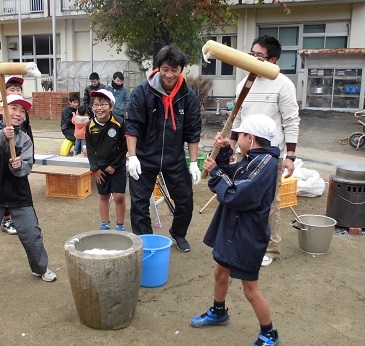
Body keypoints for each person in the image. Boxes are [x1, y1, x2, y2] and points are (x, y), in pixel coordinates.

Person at [191, 114, 280, 346]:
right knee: (220, 272)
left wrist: (216, 172)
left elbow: (236, 193)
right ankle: (218, 312)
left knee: (250, 289)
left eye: (239, 135)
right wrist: (220, 154)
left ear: (250, 137)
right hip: (233, 226)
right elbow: (232, 174)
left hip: (248, 232)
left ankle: (269, 333)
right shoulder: (252, 157)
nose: (237, 139)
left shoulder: (266, 164)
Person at [0, 94, 56, 294]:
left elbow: (27, 166)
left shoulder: (24, 138)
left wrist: (18, 166)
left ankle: (40, 268)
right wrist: (2, 136)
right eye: (14, 108)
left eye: (23, 111)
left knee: (32, 235)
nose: (19, 114)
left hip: (19, 194)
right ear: (2, 111)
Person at [229, 35, 300, 267]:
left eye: (259, 56)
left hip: (271, 156)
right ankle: (243, 239)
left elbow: (291, 121)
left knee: (269, 202)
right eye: (252, 54)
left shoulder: (283, 84)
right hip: (244, 153)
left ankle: (270, 248)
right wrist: (232, 146)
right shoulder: (244, 83)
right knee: (240, 196)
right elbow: (237, 117)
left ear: (272, 60)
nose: (253, 59)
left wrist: (289, 156)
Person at [125, 44, 201, 252]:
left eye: (174, 70)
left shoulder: (188, 96)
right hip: (144, 156)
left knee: (185, 199)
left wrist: (193, 163)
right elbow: (132, 126)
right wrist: (132, 157)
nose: (169, 75)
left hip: (173, 158)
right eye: (165, 69)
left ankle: (178, 233)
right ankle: (145, 241)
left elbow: (193, 131)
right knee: (139, 204)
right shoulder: (143, 91)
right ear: (159, 67)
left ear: (181, 70)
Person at [0, 76, 35, 235]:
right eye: (11, 89)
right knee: (1, 188)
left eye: (18, 89)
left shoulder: (22, 110)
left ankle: (15, 217)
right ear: (3, 90)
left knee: (16, 186)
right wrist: (1, 137)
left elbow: (27, 132)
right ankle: (5, 218)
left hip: (18, 156)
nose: (16, 91)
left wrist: (29, 156)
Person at [85, 89, 127, 231]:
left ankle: (120, 225)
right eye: (96, 104)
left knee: (119, 196)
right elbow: (90, 149)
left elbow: (124, 146)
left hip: (118, 166)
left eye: (103, 104)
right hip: (100, 168)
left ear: (111, 106)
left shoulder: (119, 123)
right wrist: (95, 169)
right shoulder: (89, 125)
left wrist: (114, 165)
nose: (99, 108)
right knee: (104, 195)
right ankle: (105, 223)